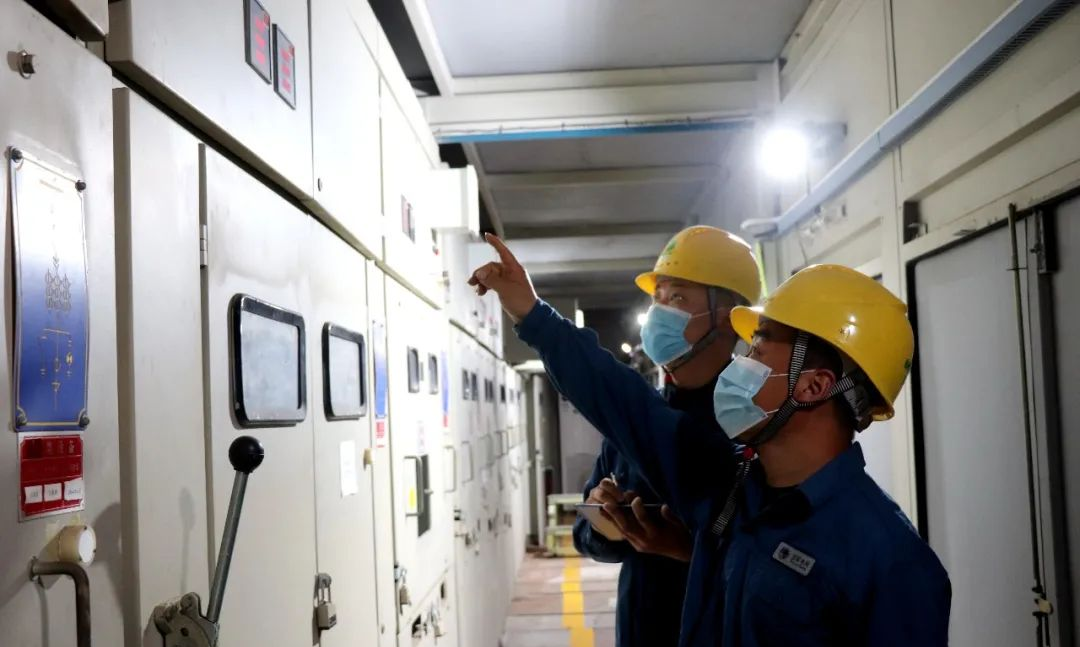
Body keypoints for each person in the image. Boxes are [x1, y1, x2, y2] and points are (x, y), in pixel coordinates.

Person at [469, 236, 951, 646]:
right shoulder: (731, 490)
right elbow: (623, 402)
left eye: (759, 346)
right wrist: (532, 313)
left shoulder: (893, 566)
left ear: (813, 386)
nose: (742, 362)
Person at [572, 226, 762, 647]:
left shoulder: (755, 422)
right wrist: (606, 525)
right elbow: (583, 536)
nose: (660, 313)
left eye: (677, 298)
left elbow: (775, 559)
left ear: (727, 315)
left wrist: (692, 551)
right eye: (657, 298)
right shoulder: (639, 416)